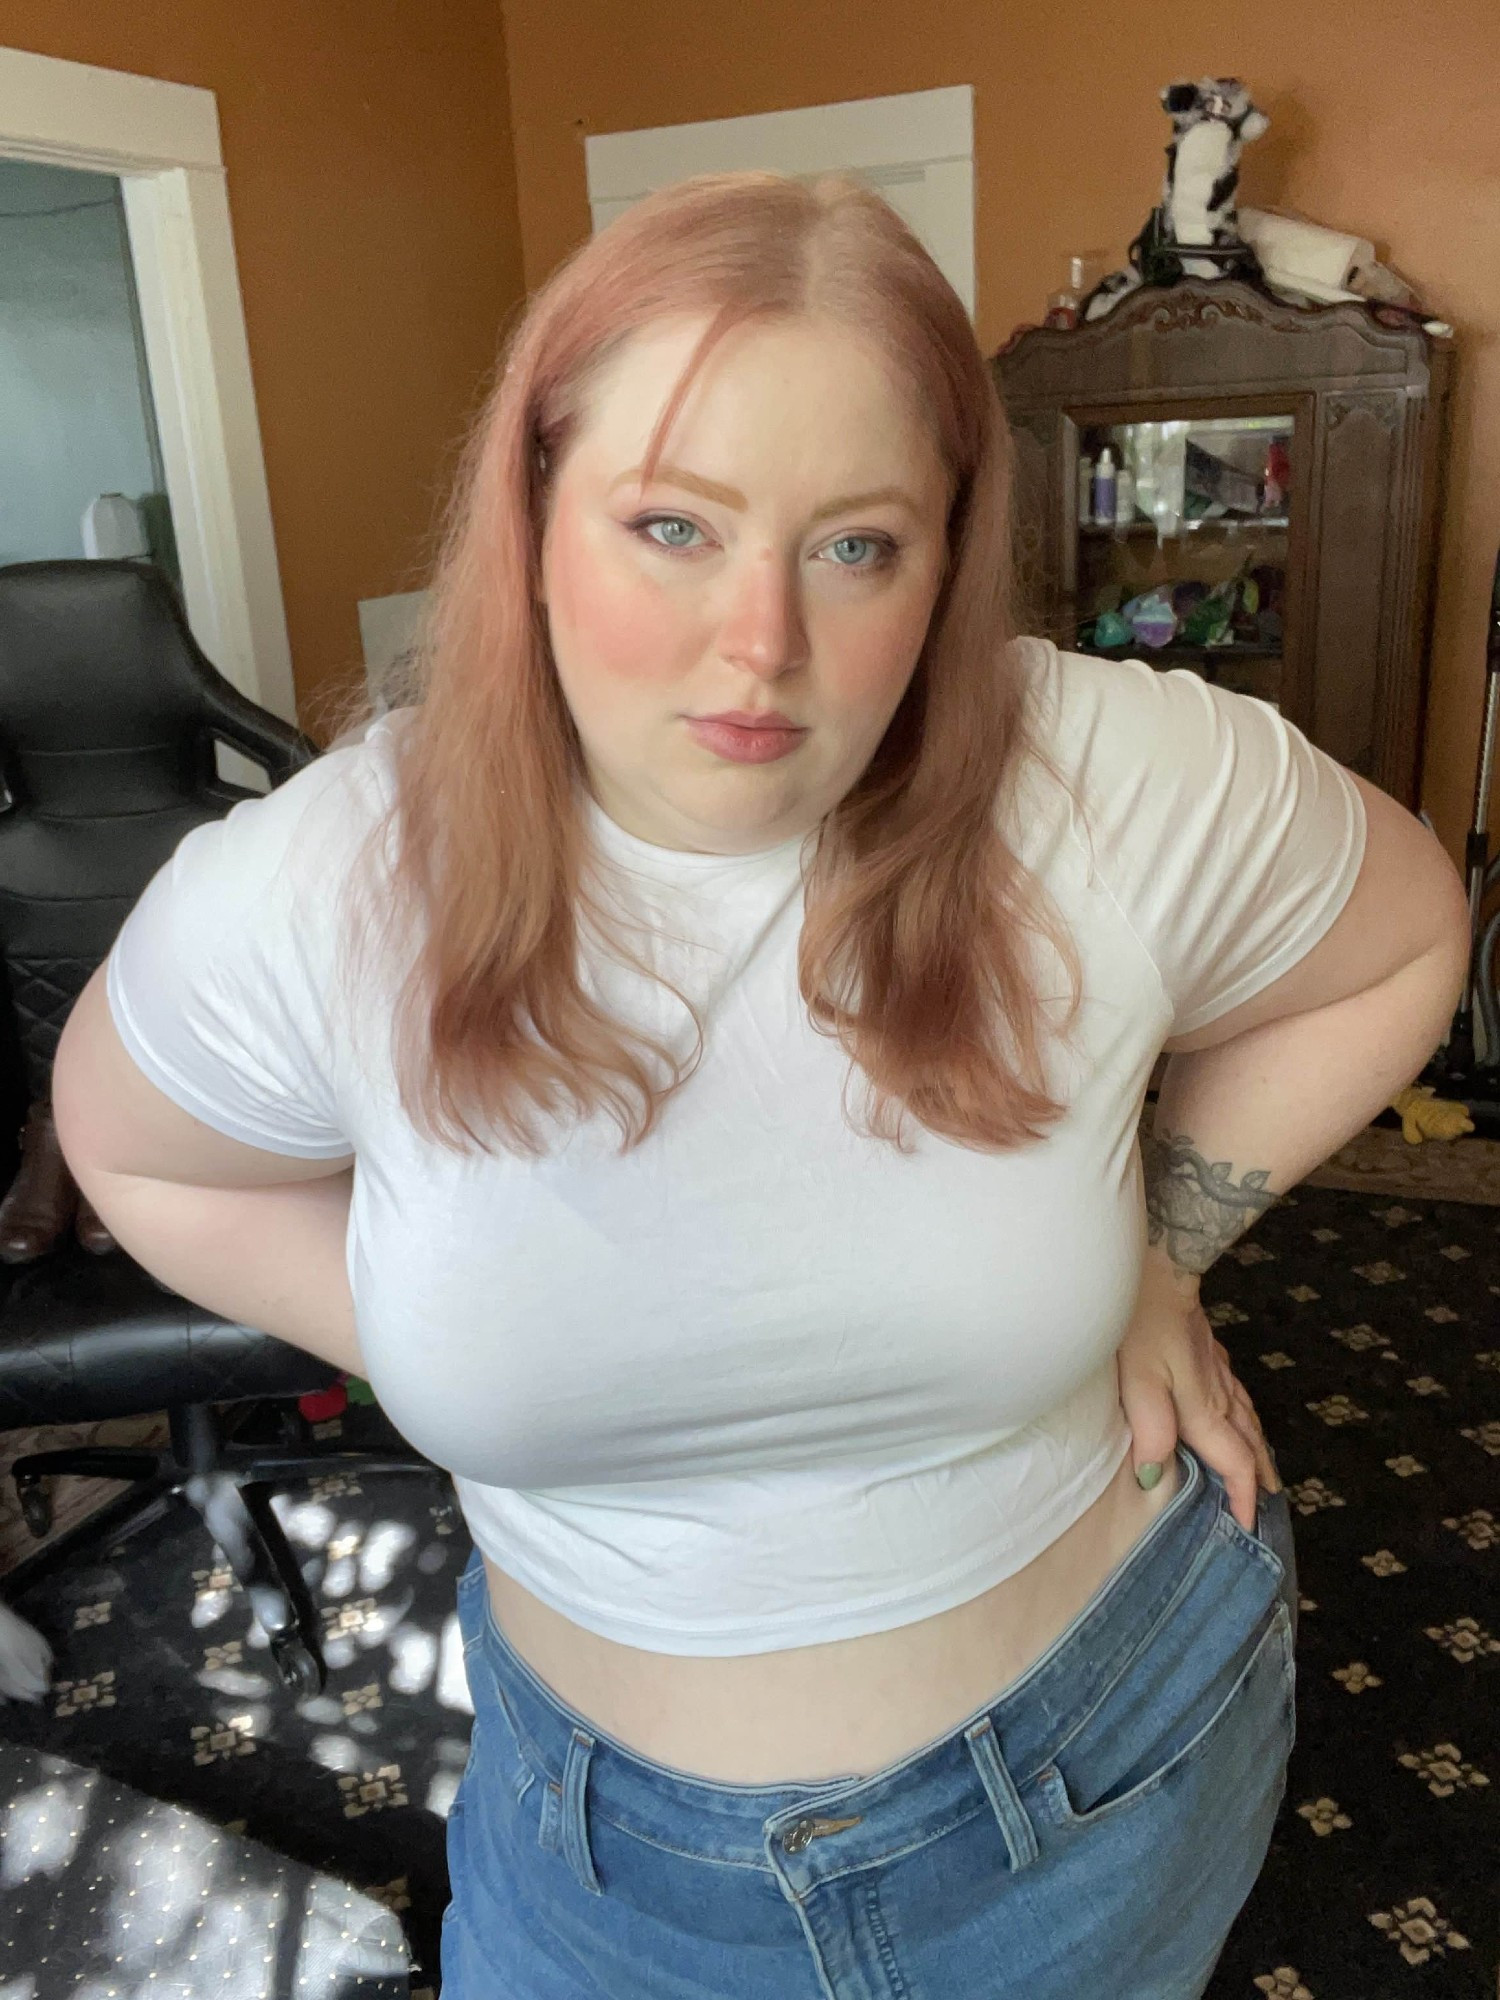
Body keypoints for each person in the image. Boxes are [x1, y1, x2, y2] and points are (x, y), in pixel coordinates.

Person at [52, 170, 1469, 1998]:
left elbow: (1404, 939)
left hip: (1102, 1780)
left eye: (856, 545)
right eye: (672, 525)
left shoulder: (1106, 779)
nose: (763, 647)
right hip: (590, 1856)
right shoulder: (324, 887)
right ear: (536, 507)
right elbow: (139, 1153)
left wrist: (1163, 1249)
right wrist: (411, 1312)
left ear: (949, 556)